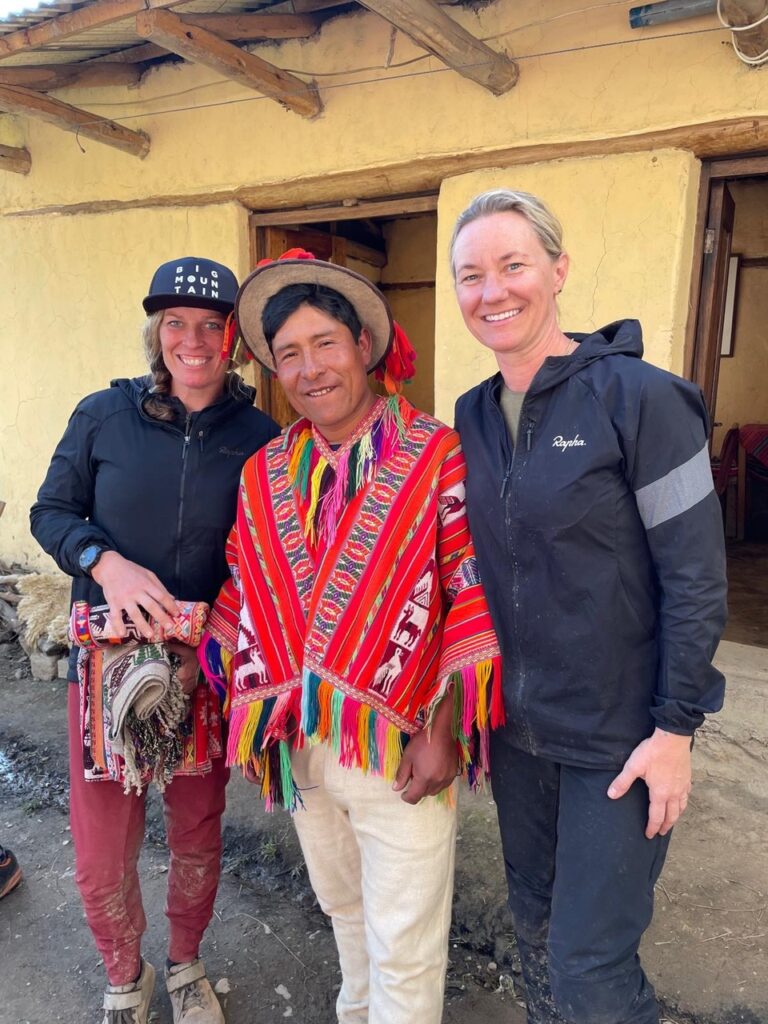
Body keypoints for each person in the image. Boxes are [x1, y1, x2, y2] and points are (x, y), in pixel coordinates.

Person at [199, 249, 503, 1024]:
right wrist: (238, 693)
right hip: (300, 745)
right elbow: (246, 581)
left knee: (405, 938)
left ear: (364, 347)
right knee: (344, 913)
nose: (310, 370)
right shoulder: (263, 471)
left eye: (325, 345)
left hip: (400, 740)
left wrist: (444, 733)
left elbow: (470, 590)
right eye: (290, 355)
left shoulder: (436, 454)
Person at [450, 189, 728, 1024]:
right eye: (470, 275)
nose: (493, 291)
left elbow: (696, 576)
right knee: (533, 930)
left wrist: (675, 730)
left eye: (513, 265)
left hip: (620, 739)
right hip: (520, 735)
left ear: (559, 270)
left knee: (590, 969)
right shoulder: (471, 415)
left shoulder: (641, 399)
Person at [30, 257, 279, 1024]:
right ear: (155, 334)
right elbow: (51, 512)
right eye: (176, 323)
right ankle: (122, 975)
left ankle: (184, 966)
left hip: (201, 671)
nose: (193, 340)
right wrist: (106, 563)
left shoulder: (261, 437)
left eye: (211, 325)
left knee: (199, 832)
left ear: (232, 340)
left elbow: (267, 555)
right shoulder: (103, 416)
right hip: (106, 671)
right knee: (102, 845)